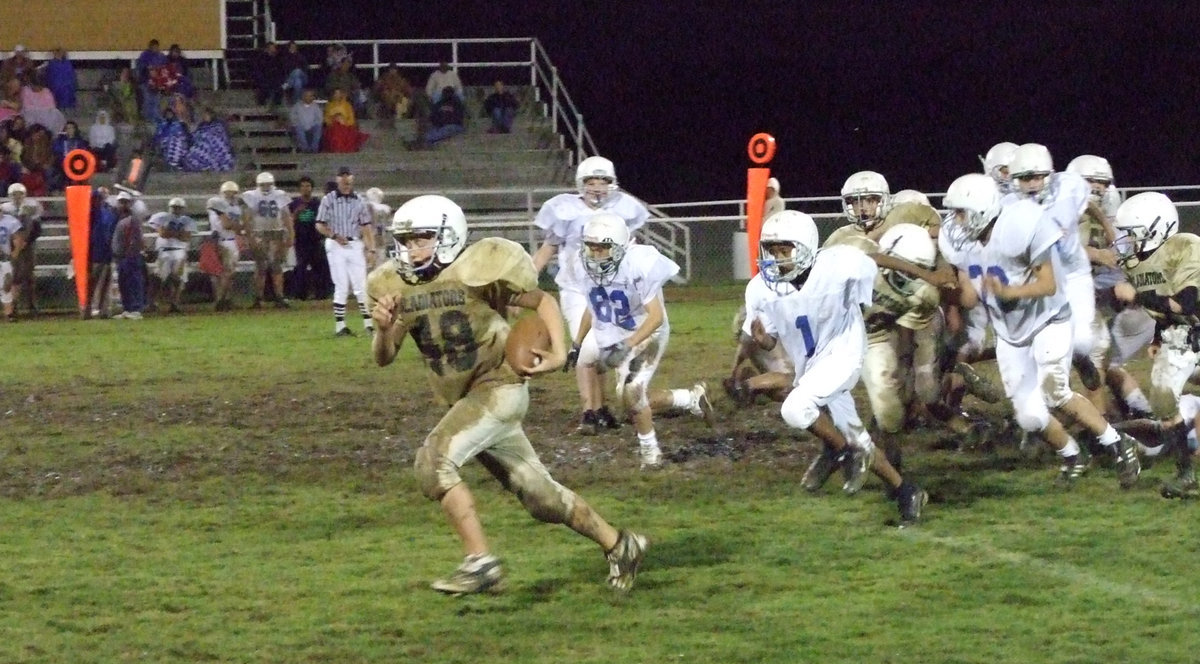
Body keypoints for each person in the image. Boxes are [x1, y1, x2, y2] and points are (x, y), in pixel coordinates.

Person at [367, 193, 648, 595]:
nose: (412, 249)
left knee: (433, 462)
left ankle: (480, 563)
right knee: (541, 498)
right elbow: (383, 357)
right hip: (467, 401)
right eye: (406, 240)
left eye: (422, 238)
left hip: (499, 387)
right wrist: (382, 328)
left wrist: (556, 349)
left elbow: (542, 300)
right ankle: (620, 545)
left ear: (448, 235)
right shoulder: (397, 286)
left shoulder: (476, 270)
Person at [942, 173, 1140, 487]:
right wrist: (938, 291)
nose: (955, 220)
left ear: (980, 208)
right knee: (1029, 416)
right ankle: (1073, 455)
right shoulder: (967, 246)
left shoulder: (1018, 228)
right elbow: (968, 296)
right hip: (1011, 334)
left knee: (1055, 391)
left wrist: (1010, 293)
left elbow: (1049, 284)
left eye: (960, 212)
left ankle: (1117, 443)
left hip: (1049, 319)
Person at [750, 210, 928, 525]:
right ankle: (906, 491)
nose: (777, 257)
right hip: (813, 365)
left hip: (844, 353)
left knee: (795, 409)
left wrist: (925, 275)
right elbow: (771, 340)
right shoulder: (761, 289)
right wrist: (763, 340)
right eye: (772, 250)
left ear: (805, 246)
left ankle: (840, 452)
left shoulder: (837, 264)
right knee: (858, 437)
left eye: (784, 249)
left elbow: (875, 258)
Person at [568, 212, 713, 468]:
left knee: (632, 392)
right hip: (617, 334)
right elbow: (593, 307)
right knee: (629, 401)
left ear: (619, 248)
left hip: (647, 332)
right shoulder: (586, 269)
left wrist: (628, 344)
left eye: (603, 248)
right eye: (591, 247)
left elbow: (655, 317)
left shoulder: (638, 264)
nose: (595, 254)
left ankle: (651, 452)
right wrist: (577, 343)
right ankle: (690, 398)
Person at [532, 156, 650, 434]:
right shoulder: (566, 210)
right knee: (586, 348)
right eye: (591, 181)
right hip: (576, 290)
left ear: (613, 184)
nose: (597, 187)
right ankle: (589, 411)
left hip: (609, 289)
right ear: (581, 184)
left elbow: (633, 251)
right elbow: (546, 251)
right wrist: (525, 281)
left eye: (603, 181)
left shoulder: (621, 211)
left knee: (603, 348)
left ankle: (600, 408)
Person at [1110, 191, 1198, 495]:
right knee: (1161, 398)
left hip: (1194, 329)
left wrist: (1136, 297)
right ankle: (1186, 474)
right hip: (1179, 337)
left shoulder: (1185, 247)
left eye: (1131, 236)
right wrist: (1159, 336)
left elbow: (1185, 303)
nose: (1127, 243)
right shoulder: (1139, 264)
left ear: (1154, 229)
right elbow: (1163, 310)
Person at [316, 166, 376, 335]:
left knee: (361, 285)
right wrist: (334, 235)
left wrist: (371, 249)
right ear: (338, 181)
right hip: (336, 244)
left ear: (351, 180)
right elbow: (319, 224)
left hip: (354, 243)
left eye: (348, 180)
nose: (346, 183)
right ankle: (341, 326)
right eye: (343, 180)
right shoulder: (329, 199)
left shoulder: (359, 201)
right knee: (341, 284)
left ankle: (368, 324)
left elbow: (366, 227)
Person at [240, 172, 295, 308]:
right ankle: (258, 298)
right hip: (260, 233)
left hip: (276, 232)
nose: (265, 187)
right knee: (260, 266)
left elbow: (286, 216)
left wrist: (291, 234)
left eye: (268, 184)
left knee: (276, 266)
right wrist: (249, 236)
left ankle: (279, 297)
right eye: (263, 185)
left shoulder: (280, 195)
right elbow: (247, 218)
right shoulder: (251, 196)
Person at [146, 197, 196, 313]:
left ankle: (174, 303)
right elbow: (163, 233)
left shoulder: (187, 220)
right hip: (165, 251)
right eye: (174, 207)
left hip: (179, 251)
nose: (176, 210)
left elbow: (187, 237)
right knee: (159, 278)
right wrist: (178, 234)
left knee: (179, 279)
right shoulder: (162, 217)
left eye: (178, 208)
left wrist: (172, 233)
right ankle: (152, 302)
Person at [2, 182, 43, 317]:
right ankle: (14, 306)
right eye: (15, 194)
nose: (17, 197)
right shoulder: (5, 208)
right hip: (13, 246)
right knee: (14, 276)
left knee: (30, 275)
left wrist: (27, 241)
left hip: (28, 245)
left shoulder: (31, 207)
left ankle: (32, 304)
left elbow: (37, 228)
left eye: (19, 194)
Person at [287, 176, 330, 300]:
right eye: (303, 186)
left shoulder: (317, 203)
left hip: (315, 239)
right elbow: (289, 220)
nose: (306, 189)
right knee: (301, 267)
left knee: (319, 267)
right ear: (299, 189)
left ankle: (321, 293)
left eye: (308, 186)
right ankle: (300, 294)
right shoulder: (294, 204)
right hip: (301, 240)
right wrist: (297, 213)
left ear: (312, 188)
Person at [206, 181, 244, 311]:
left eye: (233, 192)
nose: (231, 195)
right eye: (228, 192)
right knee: (224, 273)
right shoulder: (217, 203)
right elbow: (226, 225)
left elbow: (234, 226)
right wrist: (241, 226)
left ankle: (226, 299)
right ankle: (220, 300)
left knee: (230, 273)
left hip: (232, 240)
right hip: (221, 240)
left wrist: (239, 227)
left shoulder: (235, 207)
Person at [110, 192, 146, 319]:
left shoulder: (132, 219)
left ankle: (136, 308)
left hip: (129, 255)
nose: (122, 204)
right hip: (121, 255)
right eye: (121, 202)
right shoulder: (119, 218)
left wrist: (131, 252)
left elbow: (135, 238)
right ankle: (127, 308)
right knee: (123, 283)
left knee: (133, 281)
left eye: (125, 202)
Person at [86, 189, 118, 318]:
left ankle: (104, 308)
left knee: (105, 281)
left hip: (106, 250)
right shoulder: (89, 213)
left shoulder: (108, 213)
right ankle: (90, 307)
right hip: (94, 252)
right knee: (92, 281)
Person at [181, 107, 235, 172]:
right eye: (204, 115)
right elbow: (196, 134)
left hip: (216, 145)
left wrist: (207, 136)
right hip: (203, 144)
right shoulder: (202, 125)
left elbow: (220, 135)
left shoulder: (218, 124)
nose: (205, 116)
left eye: (206, 115)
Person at [0, 204, 26, 322]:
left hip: (4, 257)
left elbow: (18, 237)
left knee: (7, 285)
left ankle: (9, 313)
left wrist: (15, 252)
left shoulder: (10, 221)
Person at [322, 88, 368, 153]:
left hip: (345, 125)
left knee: (343, 131)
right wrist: (333, 119)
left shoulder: (347, 105)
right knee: (335, 131)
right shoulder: (329, 105)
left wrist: (344, 121)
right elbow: (325, 118)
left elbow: (352, 119)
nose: (337, 95)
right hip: (333, 125)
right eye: (335, 93)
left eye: (339, 93)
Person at [289, 89, 323, 153]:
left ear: (313, 97)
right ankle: (305, 149)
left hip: (312, 127)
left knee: (318, 127)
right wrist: (301, 124)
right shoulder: (296, 106)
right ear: (303, 96)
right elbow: (293, 118)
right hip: (300, 127)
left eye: (310, 96)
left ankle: (314, 148)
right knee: (298, 127)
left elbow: (319, 119)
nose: (308, 97)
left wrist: (311, 125)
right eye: (306, 96)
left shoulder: (316, 107)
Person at [252, 43, 285, 108]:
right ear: (267, 49)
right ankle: (262, 104)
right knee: (264, 88)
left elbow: (281, 71)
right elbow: (258, 71)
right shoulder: (261, 58)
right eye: (271, 48)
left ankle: (276, 105)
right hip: (264, 79)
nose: (273, 50)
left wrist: (281, 81)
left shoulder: (278, 58)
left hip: (275, 79)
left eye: (274, 48)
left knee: (279, 88)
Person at [280, 42, 308, 106]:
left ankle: (288, 84)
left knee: (297, 71)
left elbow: (305, 68)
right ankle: (295, 102)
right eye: (291, 47)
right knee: (298, 83)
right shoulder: (285, 57)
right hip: (293, 78)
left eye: (294, 47)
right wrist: (290, 55)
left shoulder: (300, 56)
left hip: (303, 76)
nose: (293, 48)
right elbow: (285, 69)